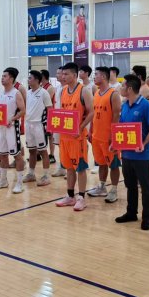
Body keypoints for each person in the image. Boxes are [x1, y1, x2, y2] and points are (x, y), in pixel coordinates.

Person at [115, 75, 149, 230]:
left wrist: (143, 143)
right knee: (130, 185)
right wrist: (115, 143)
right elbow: (121, 127)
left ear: (129, 89)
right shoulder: (125, 105)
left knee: (145, 186)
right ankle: (131, 212)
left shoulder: (145, 105)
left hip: (142, 155)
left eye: (123, 86)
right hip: (127, 154)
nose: (121, 88)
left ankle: (147, 217)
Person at [55, 62, 94, 211]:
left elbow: (91, 112)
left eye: (66, 74)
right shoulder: (63, 90)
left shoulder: (84, 91)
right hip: (65, 136)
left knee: (80, 168)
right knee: (69, 167)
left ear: (74, 75)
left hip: (78, 137)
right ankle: (70, 196)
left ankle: (81, 198)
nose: (63, 76)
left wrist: (81, 127)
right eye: (62, 74)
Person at [88, 66, 122, 203]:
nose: (94, 77)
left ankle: (114, 190)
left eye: (96, 74)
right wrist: (91, 130)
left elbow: (116, 116)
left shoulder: (114, 94)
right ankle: (102, 187)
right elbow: (94, 114)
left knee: (113, 164)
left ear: (103, 77)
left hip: (108, 137)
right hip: (96, 136)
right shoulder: (96, 93)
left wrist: (113, 136)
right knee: (101, 163)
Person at [0, 68, 26, 193]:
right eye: (2, 76)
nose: (2, 78)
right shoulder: (0, 93)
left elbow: (23, 110)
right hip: (0, 128)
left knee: (17, 155)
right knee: (2, 154)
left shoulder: (16, 93)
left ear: (11, 78)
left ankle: (19, 183)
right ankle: (3, 181)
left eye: (5, 76)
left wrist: (12, 119)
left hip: (11, 128)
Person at [23, 70, 53, 187]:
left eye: (30, 78)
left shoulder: (44, 93)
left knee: (43, 151)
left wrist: (50, 126)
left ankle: (46, 176)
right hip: (28, 124)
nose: (28, 80)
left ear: (36, 80)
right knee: (31, 151)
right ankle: (31, 174)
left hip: (39, 125)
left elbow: (50, 110)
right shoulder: (28, 93)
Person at [51, 66, 67, 178]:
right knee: (60, 145)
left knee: (67, 145)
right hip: (57, 119)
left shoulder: (68, 88)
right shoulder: (57, 88)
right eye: (56, 73)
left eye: (59, 73)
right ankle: (62, 167)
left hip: (66, 120)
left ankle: (70, 167)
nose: (57, 75)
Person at [41, 69, 57, 164]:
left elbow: (45, 101)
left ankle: (52, 155)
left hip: (50, 114)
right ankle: (40, 154)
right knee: (41, 134)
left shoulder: (50, 87)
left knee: (50, 135)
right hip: (42, 114)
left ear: (43, 77)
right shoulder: (41, 87)